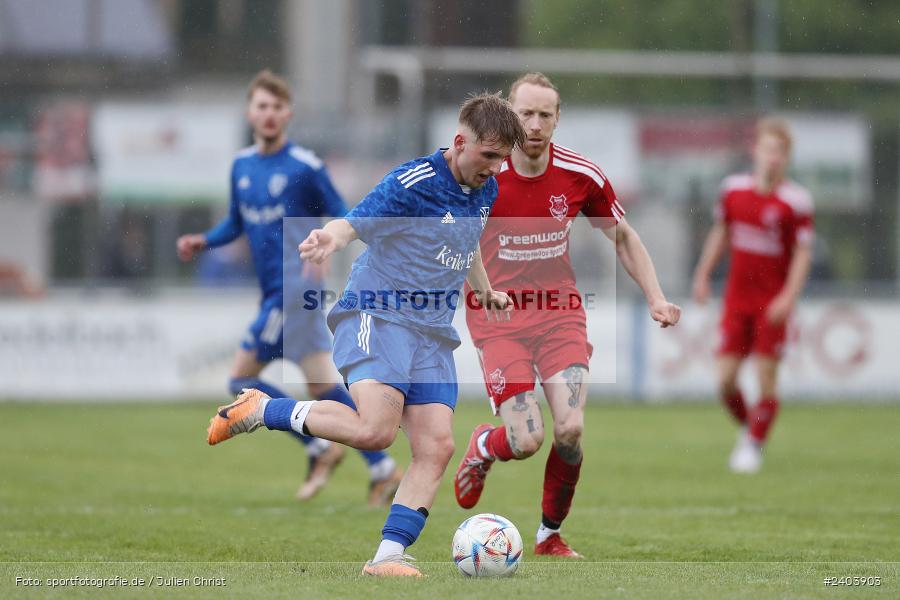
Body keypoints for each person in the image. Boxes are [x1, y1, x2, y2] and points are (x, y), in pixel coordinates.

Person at [206, 92, 524, 577]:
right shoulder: (413, 182)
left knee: (436, 447)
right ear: (461, 142)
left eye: (504, 159)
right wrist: (328, 238)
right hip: (379, 313)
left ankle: (387, 558)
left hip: (433, 333)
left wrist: (485, 290)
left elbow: (470, 239)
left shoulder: (486, 188)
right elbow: (353, 222)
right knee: (375, 431)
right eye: (489, 156)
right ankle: (262, 409)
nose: (497, 168)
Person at [452, 73, 681, 558]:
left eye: (544, 115)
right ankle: (485, 447)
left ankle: (547, 535)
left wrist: (656, 296)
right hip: (499, 320)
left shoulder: (581, 175)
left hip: (560, 316)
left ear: (558, 119)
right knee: (527, 438)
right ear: (509, 114)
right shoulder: (484, 174)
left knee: (570, 430)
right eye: (525, 113)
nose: (533, 124)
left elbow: (623, 237)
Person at [177, 70, 401, 504]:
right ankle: (383, 467)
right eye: (262, 106)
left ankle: (319, 446)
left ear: (288, 114)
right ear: (250, 112)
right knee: (322, 386)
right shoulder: (242, 165)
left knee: (240, 377)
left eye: (277, 107)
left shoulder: (304, 166)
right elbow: (236, 223)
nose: (269, 114)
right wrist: (204, 241)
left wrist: (327, 247)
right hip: (276, 293)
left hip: (291, 290)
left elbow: (343, 212)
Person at [692, 118, 813, 474]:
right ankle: (751, 429)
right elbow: (721, 234)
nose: (772, 158)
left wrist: (788, 297)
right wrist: (702, 274)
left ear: (787, 158)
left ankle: (754, 444)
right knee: (725, 381)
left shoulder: (796, 201)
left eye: (779, 152)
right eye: (767, 149)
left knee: (765, 382)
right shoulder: (733, 191)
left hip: (772, 305)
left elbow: (803, 254)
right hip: (737, 300)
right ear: (755, 151)